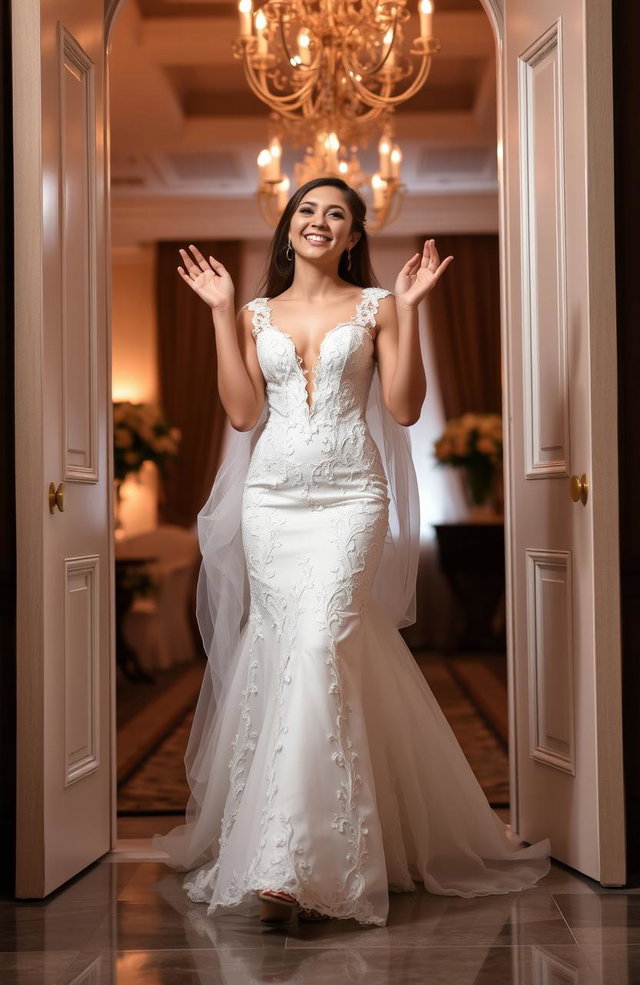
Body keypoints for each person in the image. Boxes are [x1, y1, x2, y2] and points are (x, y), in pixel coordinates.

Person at [151, 176, 551, 927]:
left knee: (323, 642)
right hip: (271, 503)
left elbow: (403, 407)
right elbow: (241, 414)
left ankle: (302, 858)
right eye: (307, 209)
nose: (319, 220)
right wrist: (215, 314)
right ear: (289, 225)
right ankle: (286, 849)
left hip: (349, 501)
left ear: (354, 236)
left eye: (337, 213)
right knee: (285, 652)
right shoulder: (252, 313)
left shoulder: (381, 308)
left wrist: (417, 310)